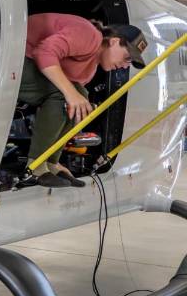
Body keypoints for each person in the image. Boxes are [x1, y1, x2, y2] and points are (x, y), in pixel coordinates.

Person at [22, 13, 147, 188]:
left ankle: (51, 162)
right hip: (9, 54)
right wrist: (70, 93)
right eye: (127, 58)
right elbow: (43, 51)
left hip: (25, 64)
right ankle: (35, 166)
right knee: (67, 94)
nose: (125, 66)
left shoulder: (89, 70)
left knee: (80, 96)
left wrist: (74, 95)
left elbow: (68, 104)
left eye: (131, 63)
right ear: (113, 41)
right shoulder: (90, 35)